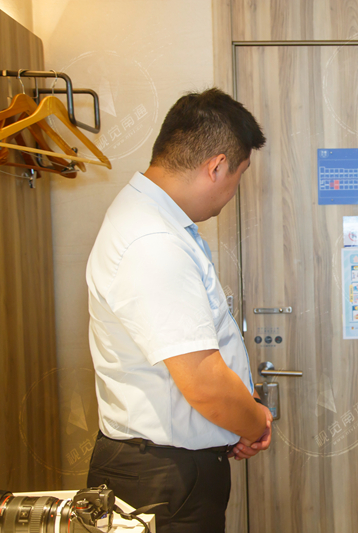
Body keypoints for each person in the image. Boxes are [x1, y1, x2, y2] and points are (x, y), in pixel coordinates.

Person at [85, 88, 269, 532]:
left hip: (166, 469)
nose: (233, 192)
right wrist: (255, 423)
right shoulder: (154, 241)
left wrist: (239, 417)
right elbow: (204, 384)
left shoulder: (155, 222)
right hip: (163, 479)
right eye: (238, 175)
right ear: (217, 166)